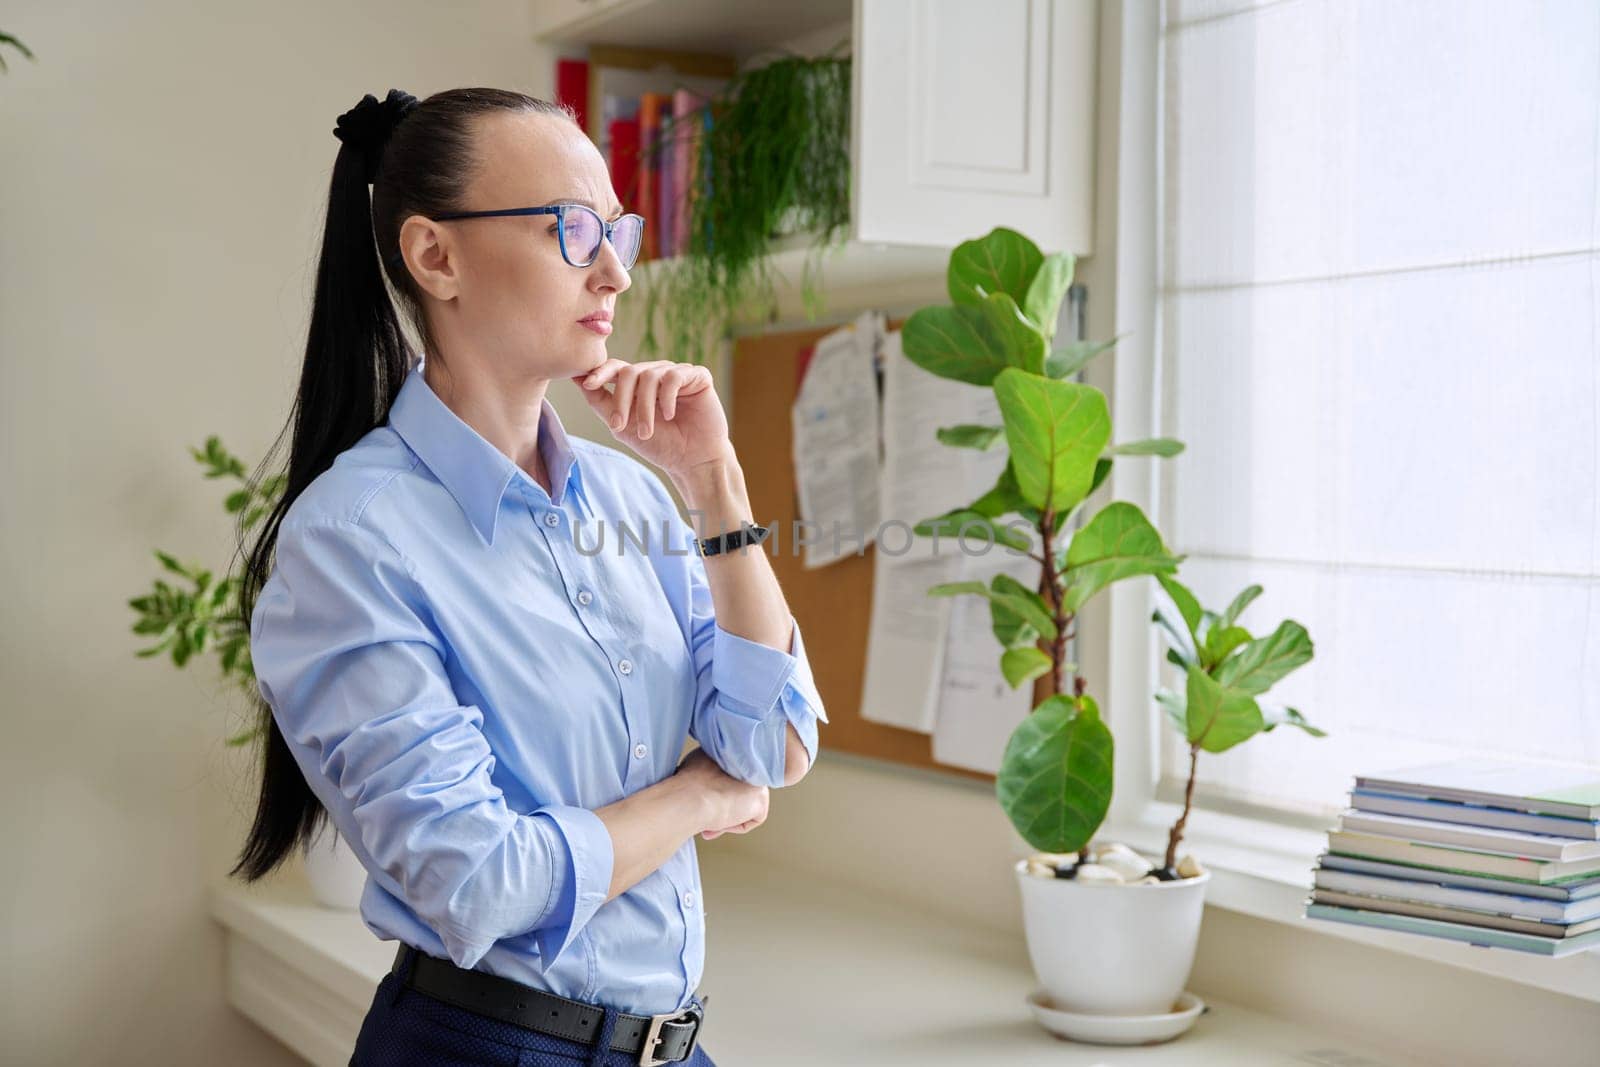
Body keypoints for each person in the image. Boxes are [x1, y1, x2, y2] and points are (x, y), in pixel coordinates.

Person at [231, 87, 828, 1067]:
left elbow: (772, 742)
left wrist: (715, 484)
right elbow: (471, 880)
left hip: (670, 1045)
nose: (613, 272)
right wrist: (695, 800)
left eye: (618, 232)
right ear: (435, 256)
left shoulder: (635, 500)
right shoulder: (349, 539)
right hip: (484, 1045)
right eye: (572, 228)